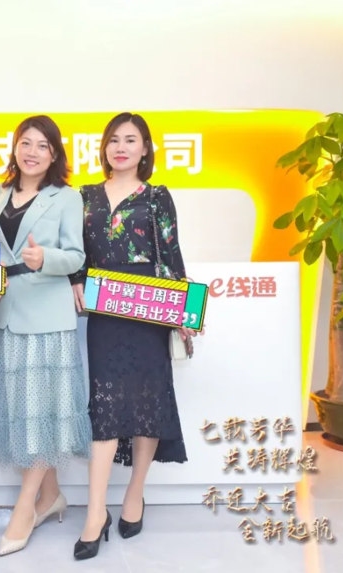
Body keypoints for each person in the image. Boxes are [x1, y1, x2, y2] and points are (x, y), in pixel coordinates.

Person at [69, 112, 199, 560]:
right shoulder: (84, 195)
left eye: (130, 140)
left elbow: (171, 256)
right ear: (104, 147)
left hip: (149, 308)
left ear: (145, 149)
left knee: (147, 404)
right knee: (105, 409)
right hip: (106, 311)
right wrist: (76, 279)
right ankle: (94, 513)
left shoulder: (158, 196)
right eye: (114, 140)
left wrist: (185, 312)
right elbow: (76, 253)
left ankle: (134, 493)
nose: (121, 147)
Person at [0, 115, 92, 557]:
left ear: (54, 154)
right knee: (22, 412)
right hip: (6, 313)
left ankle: (25, 508)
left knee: (43, 414)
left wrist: (47, 258)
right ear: (15, 147)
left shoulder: (67, 197)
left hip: (48, 315)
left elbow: (76, 255)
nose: (32, 152)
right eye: (26, 142)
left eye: (43, 145)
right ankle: (51, 495)